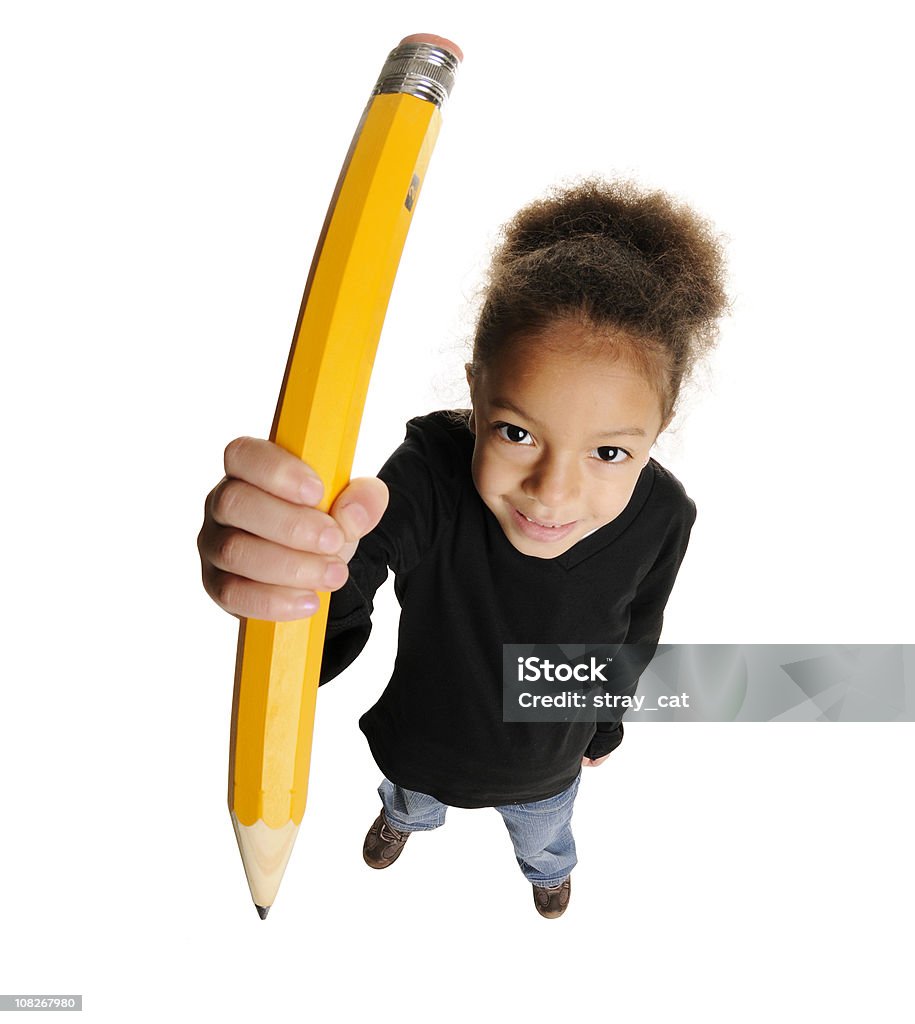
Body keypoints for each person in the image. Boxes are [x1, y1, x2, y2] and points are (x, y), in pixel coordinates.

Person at [197, 178, 728, 919]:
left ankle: (545, 871)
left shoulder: (665, 513)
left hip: (547, 764)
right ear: (475, 394)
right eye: (516, 433)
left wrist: (606, 719)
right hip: (422, 746)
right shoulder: (430, 472)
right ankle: (404, 821)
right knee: (410, 801)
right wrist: (296, 571)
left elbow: (637, 628)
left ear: (660, 425)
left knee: (544, 834)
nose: (550, 492)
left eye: (607, 452)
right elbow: (345, 583)